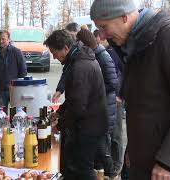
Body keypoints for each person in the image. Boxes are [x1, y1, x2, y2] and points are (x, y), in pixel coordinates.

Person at [90, 0, 170, 180]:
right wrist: (134, 150)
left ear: (124, 16)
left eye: (104, 27)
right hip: (147, 164)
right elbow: (143, 108)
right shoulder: (135, 45)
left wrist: (168, 161)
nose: (103, 35)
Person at [46, 30, 109, 180]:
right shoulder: (76, 60)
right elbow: (75, 98)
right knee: (75, 165)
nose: (54, 57)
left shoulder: (80, 66)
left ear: (66, 48)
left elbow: (78, 107)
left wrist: (59, 125)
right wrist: (60, 112)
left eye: (55, 52)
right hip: (88, 124)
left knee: (82, 168)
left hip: (89, 127)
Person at [76, 29, 119, 179]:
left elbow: (113, 83)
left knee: (102, 144)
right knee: (99, 145)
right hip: (99, 107)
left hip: (106, 107)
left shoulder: (103, 56)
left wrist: (94, 90)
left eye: (79, 42)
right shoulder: (93, 55)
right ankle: (105, 172)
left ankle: (110, 172)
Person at [94, 29, 126, 176]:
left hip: (116, 98)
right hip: (108, 98)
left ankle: (118, 164)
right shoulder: (106, 51)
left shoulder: (113, 52)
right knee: (108, 134)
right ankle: (110, 164)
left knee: (116, 135)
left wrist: (120, 94)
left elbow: (122, 73)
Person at [0, 30, 27, 109]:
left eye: (3, 39)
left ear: (8, 39)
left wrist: (18, 86)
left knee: (16, 116)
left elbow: (23, 71)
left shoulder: (17, 52)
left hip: (15, 90)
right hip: (0, 91)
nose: (0, 41)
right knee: (1, 116)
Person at [52, 22, 81, 103]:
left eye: (70, 35)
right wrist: (60, 90)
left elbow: (78, 98)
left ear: (76, 32)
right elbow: (66, 72)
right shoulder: (71, 54)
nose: (68, 38)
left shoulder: (81, 54)